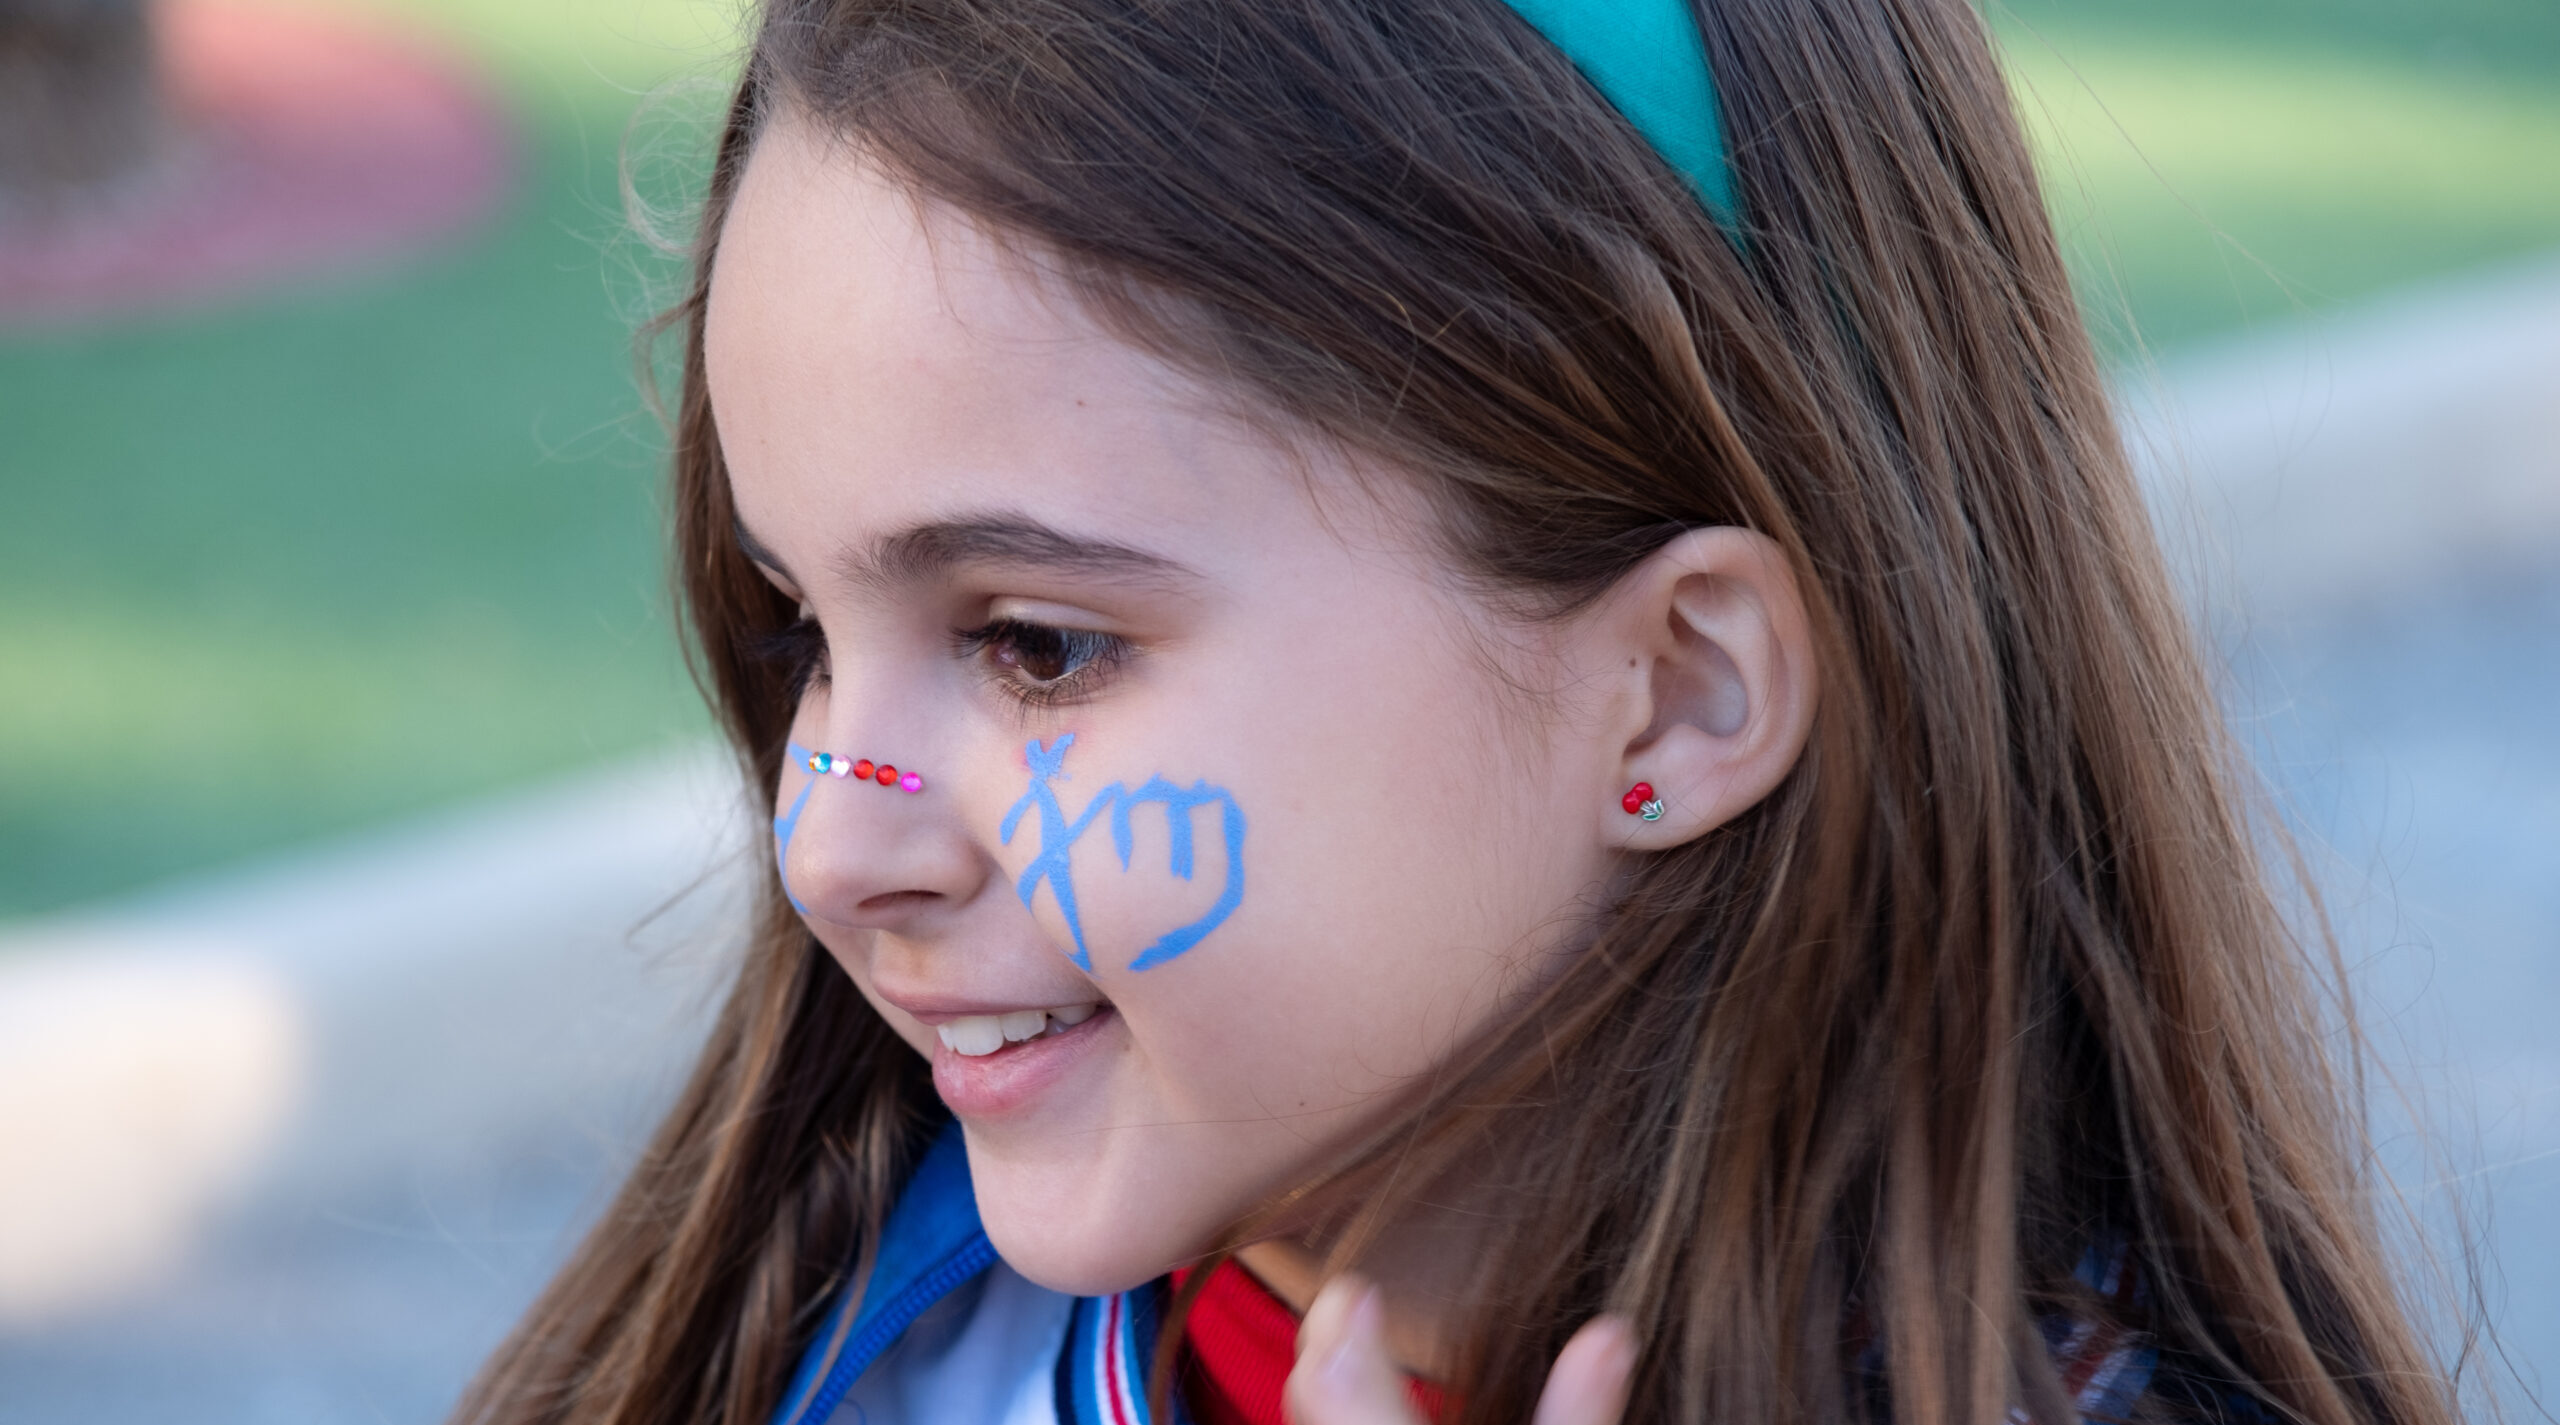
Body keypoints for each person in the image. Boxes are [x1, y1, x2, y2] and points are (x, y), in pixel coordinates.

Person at [455, 1, 2460, 1422]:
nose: (827, 831)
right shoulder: (814, 1348)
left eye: (1034, 643)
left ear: (1673, 685)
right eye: (802, 620)